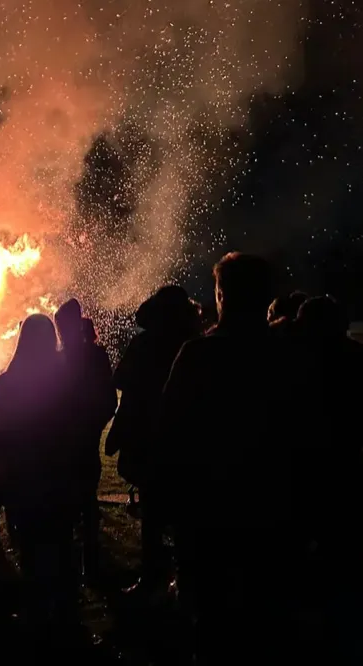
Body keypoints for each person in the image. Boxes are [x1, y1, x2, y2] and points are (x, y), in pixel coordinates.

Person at [158, 252, 302, 663]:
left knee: (213, 622)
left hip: (210, 513)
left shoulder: (198, 356)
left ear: (221, 296)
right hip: (273, 511)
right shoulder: (289, 356)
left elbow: (170, 433)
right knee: (267, 621)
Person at [293, 296, 363, 653]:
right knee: (344, 556)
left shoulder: (292, 358)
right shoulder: (356, 358)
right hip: (343, 469)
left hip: (300, 469)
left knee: (302, 555)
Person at [0, 313, 80, 645]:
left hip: (24, 477)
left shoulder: (6, 384)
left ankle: (38, 613)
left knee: (30, 545)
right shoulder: (66, 381)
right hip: (58, 474)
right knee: (61, 542)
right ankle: (66, 615)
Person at [107, 285, 201, 596]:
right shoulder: (194, 342)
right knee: (186, 513)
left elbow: (120, 379)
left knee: (153, 515)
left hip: (149, 438)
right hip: (186, 440)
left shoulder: (145, 344)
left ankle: (152, 578)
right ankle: (186, 581)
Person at [54, 299, 116, 582]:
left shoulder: (76, 358)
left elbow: (105, 400)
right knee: (79, 499)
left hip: (73, 440)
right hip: (73, 439)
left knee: (75, 500)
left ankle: (81, 563)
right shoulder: (88, 356)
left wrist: (89, 427)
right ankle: (81, 563)